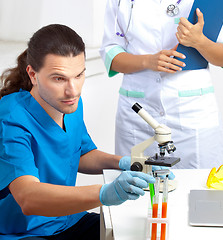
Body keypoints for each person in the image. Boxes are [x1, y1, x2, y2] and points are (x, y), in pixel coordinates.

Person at [0, 24, 175, 240]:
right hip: (24, 231)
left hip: (67, 218)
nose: (73, 90)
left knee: (132, 234)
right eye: (59, 78)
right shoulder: (10, 117)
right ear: (33, 75)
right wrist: (105, 193)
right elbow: (28, 197)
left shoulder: (69, 104)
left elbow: (80, 153)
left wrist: (124, 162)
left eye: (79, 75)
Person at [100, 0, 223, 169]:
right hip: (139, 113)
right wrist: (147, 61)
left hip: (193, 112)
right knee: (137, 186)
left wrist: (199, 41)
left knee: (204, 186)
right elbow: (111, 53)